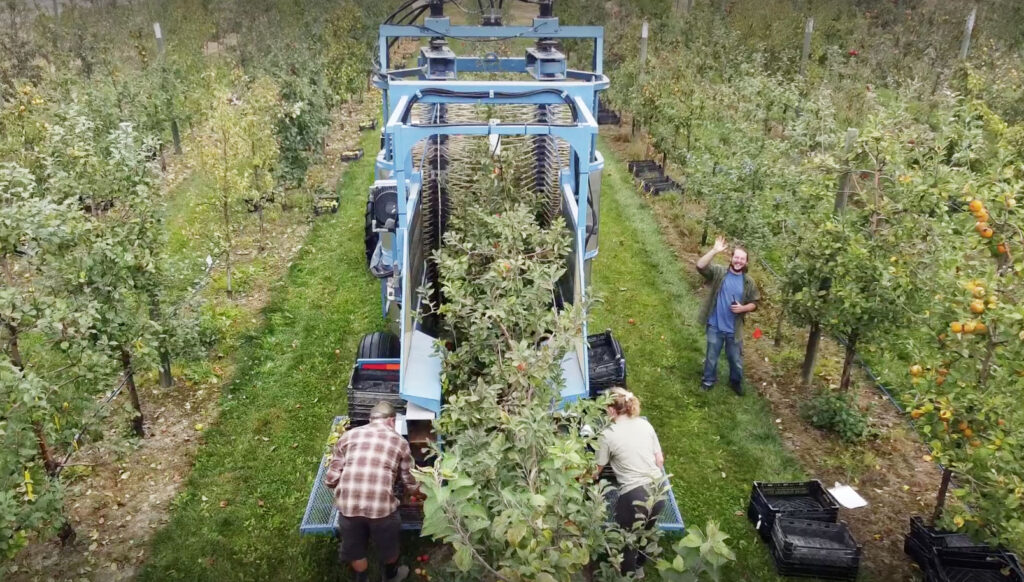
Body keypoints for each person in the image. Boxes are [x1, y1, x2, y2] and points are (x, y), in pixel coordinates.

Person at [325, 402, 416, 582]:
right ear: (392, 421)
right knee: (389, 546)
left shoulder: (348, 436)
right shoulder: (400, 442)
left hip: (348, 506)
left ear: (371, 419)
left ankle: (361, 578)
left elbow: (331, 478)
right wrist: (415, 492)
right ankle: (390, 575)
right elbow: (409, 480)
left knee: (354, 548)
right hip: (382, 508)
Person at [595, 388, 666, 578]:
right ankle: (640, 568)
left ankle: (626, 576)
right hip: (659, 491)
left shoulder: (608, 434)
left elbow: (596, 470)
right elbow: (659, 460)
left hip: (635, 496)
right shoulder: (644, 425)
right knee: (645, 533)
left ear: (611, 410)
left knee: (628, 542)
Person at [695, 235, 760, 395]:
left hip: (734, 329)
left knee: (735, 360)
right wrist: (714, 250)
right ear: (731, 258)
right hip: (715, 325)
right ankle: (708, 381)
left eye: (742, 259)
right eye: (736, 257)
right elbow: (700, 266)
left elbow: (755, 303)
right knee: (711, 357)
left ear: (746, 262)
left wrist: (743, 308)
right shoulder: (719, 273)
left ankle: (735, 382)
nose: (738, 261)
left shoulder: (748, 282)